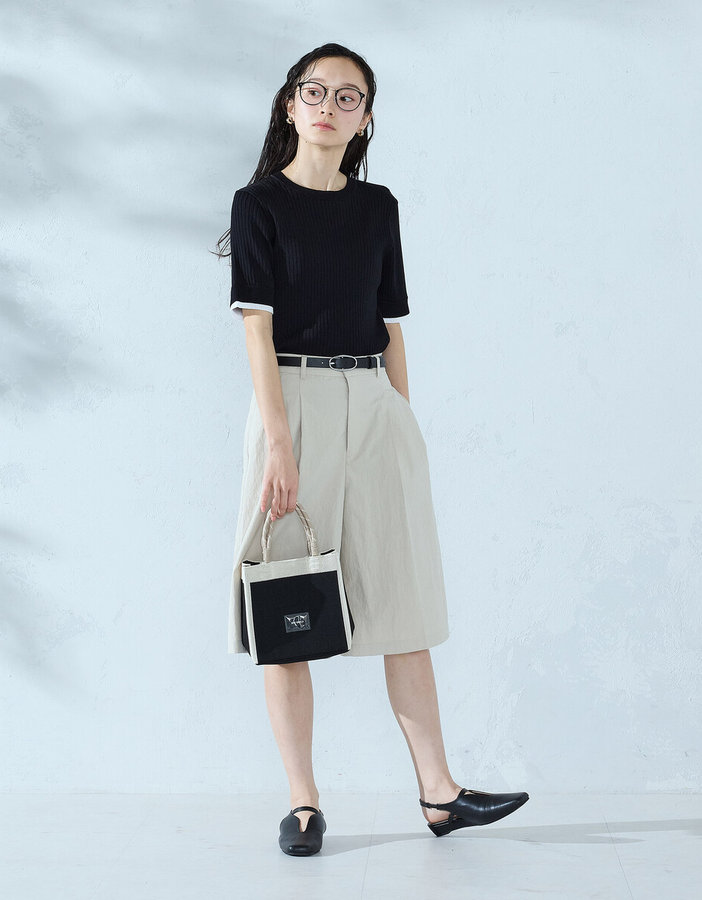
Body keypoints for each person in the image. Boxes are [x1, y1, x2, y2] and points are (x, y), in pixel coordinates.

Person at [214, 42, 529, 857]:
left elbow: (389, 327)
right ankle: (303, 803)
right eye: (313, 91)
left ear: (365, 119)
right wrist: (279, 443)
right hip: (293, 403)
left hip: (374, 404)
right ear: (290, 105)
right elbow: (257, 330)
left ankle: (439, 792)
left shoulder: (378, 207)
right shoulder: (258, 205)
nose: (328, 106)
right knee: (284, 600)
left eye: (347, 96)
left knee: (404, 598)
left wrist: (402, 424)